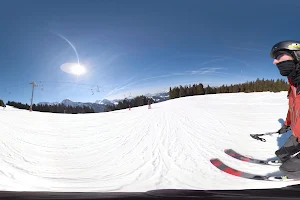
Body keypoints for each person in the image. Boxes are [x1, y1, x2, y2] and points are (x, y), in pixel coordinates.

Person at [270, 40, 300, 178]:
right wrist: (287, 124)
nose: (274, 62)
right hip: (297, 133)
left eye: (279, 56)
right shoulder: (294, 84)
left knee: (288, 169)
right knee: (281, 154)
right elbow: (292, 109)